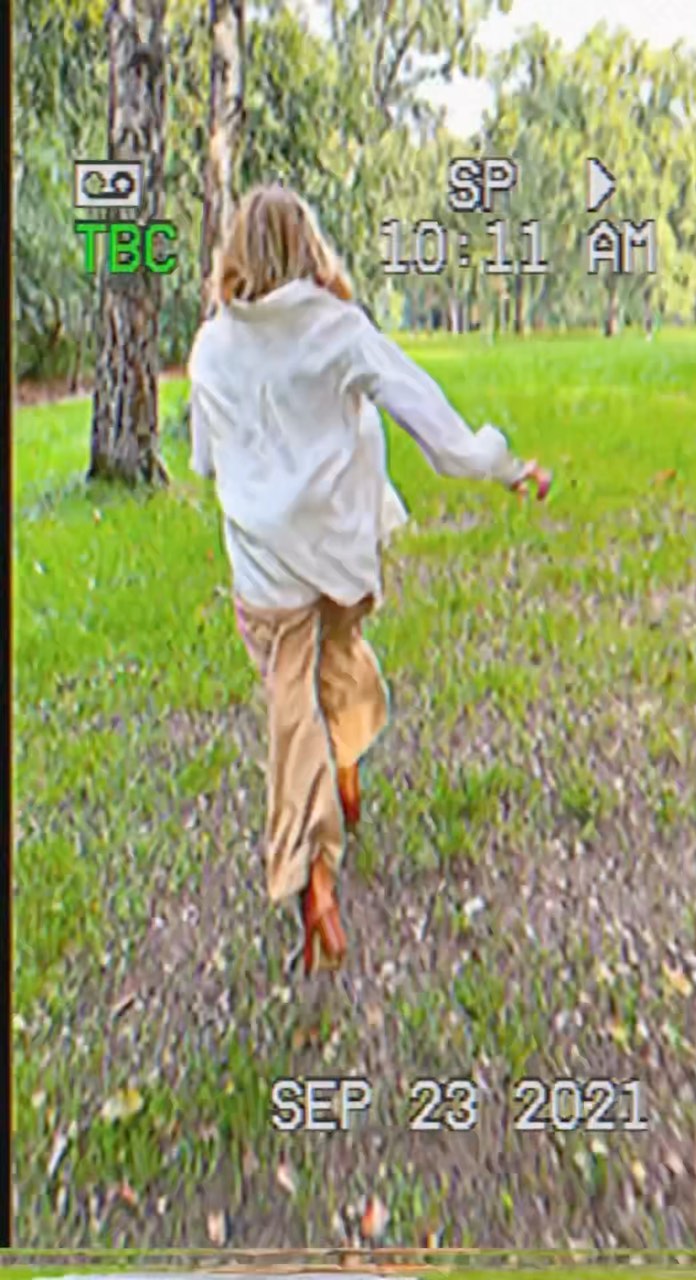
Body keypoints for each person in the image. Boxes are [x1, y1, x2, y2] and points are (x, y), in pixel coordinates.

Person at [187, 183, 551, 977]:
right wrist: (507, 467)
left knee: (293, 709)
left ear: (237, 254)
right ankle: (342, 779)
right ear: (309, 245)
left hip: (265, 571)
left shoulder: (211, 346)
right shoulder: (340, 329)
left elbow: (205, 460)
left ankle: (316, 865)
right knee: (338, 662)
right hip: (341, 560)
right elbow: (433, 425)